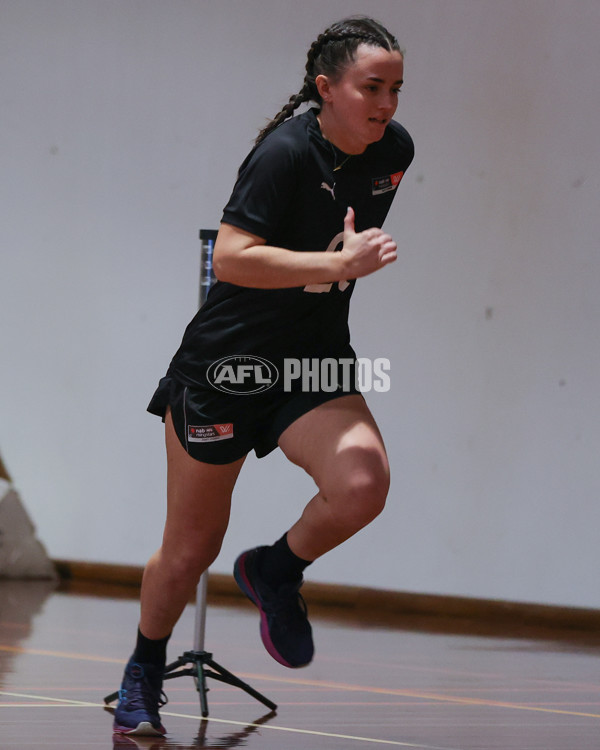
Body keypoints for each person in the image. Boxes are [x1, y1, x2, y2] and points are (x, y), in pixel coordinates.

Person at [112, 15, 414, 736]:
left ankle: (275, 570)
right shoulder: (282, 154)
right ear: (326, 88)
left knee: (363, 485)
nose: (387, 105)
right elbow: (237, 257)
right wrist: (336, 264)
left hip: (309, 361)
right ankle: (143, 669)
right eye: (372, 87)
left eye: (397, 89)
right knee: (189, 551)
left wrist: (337, 260)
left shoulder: (391, 151)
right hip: (226, 367)